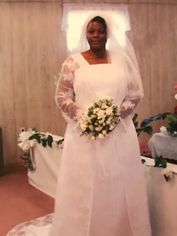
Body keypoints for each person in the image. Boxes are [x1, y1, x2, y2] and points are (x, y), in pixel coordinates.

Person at [7, 14, 152, 236]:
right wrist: (85, 118)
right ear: (85, 33)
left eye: (100, 31)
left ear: (107, 33)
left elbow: (134, 95)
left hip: (119, 134)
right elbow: (62, 96)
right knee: (86, 184)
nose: (96, 36)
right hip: (84, 134)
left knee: (117, 183)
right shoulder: (73, 61)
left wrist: (113, 116)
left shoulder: (122, 61)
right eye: (92, 31)